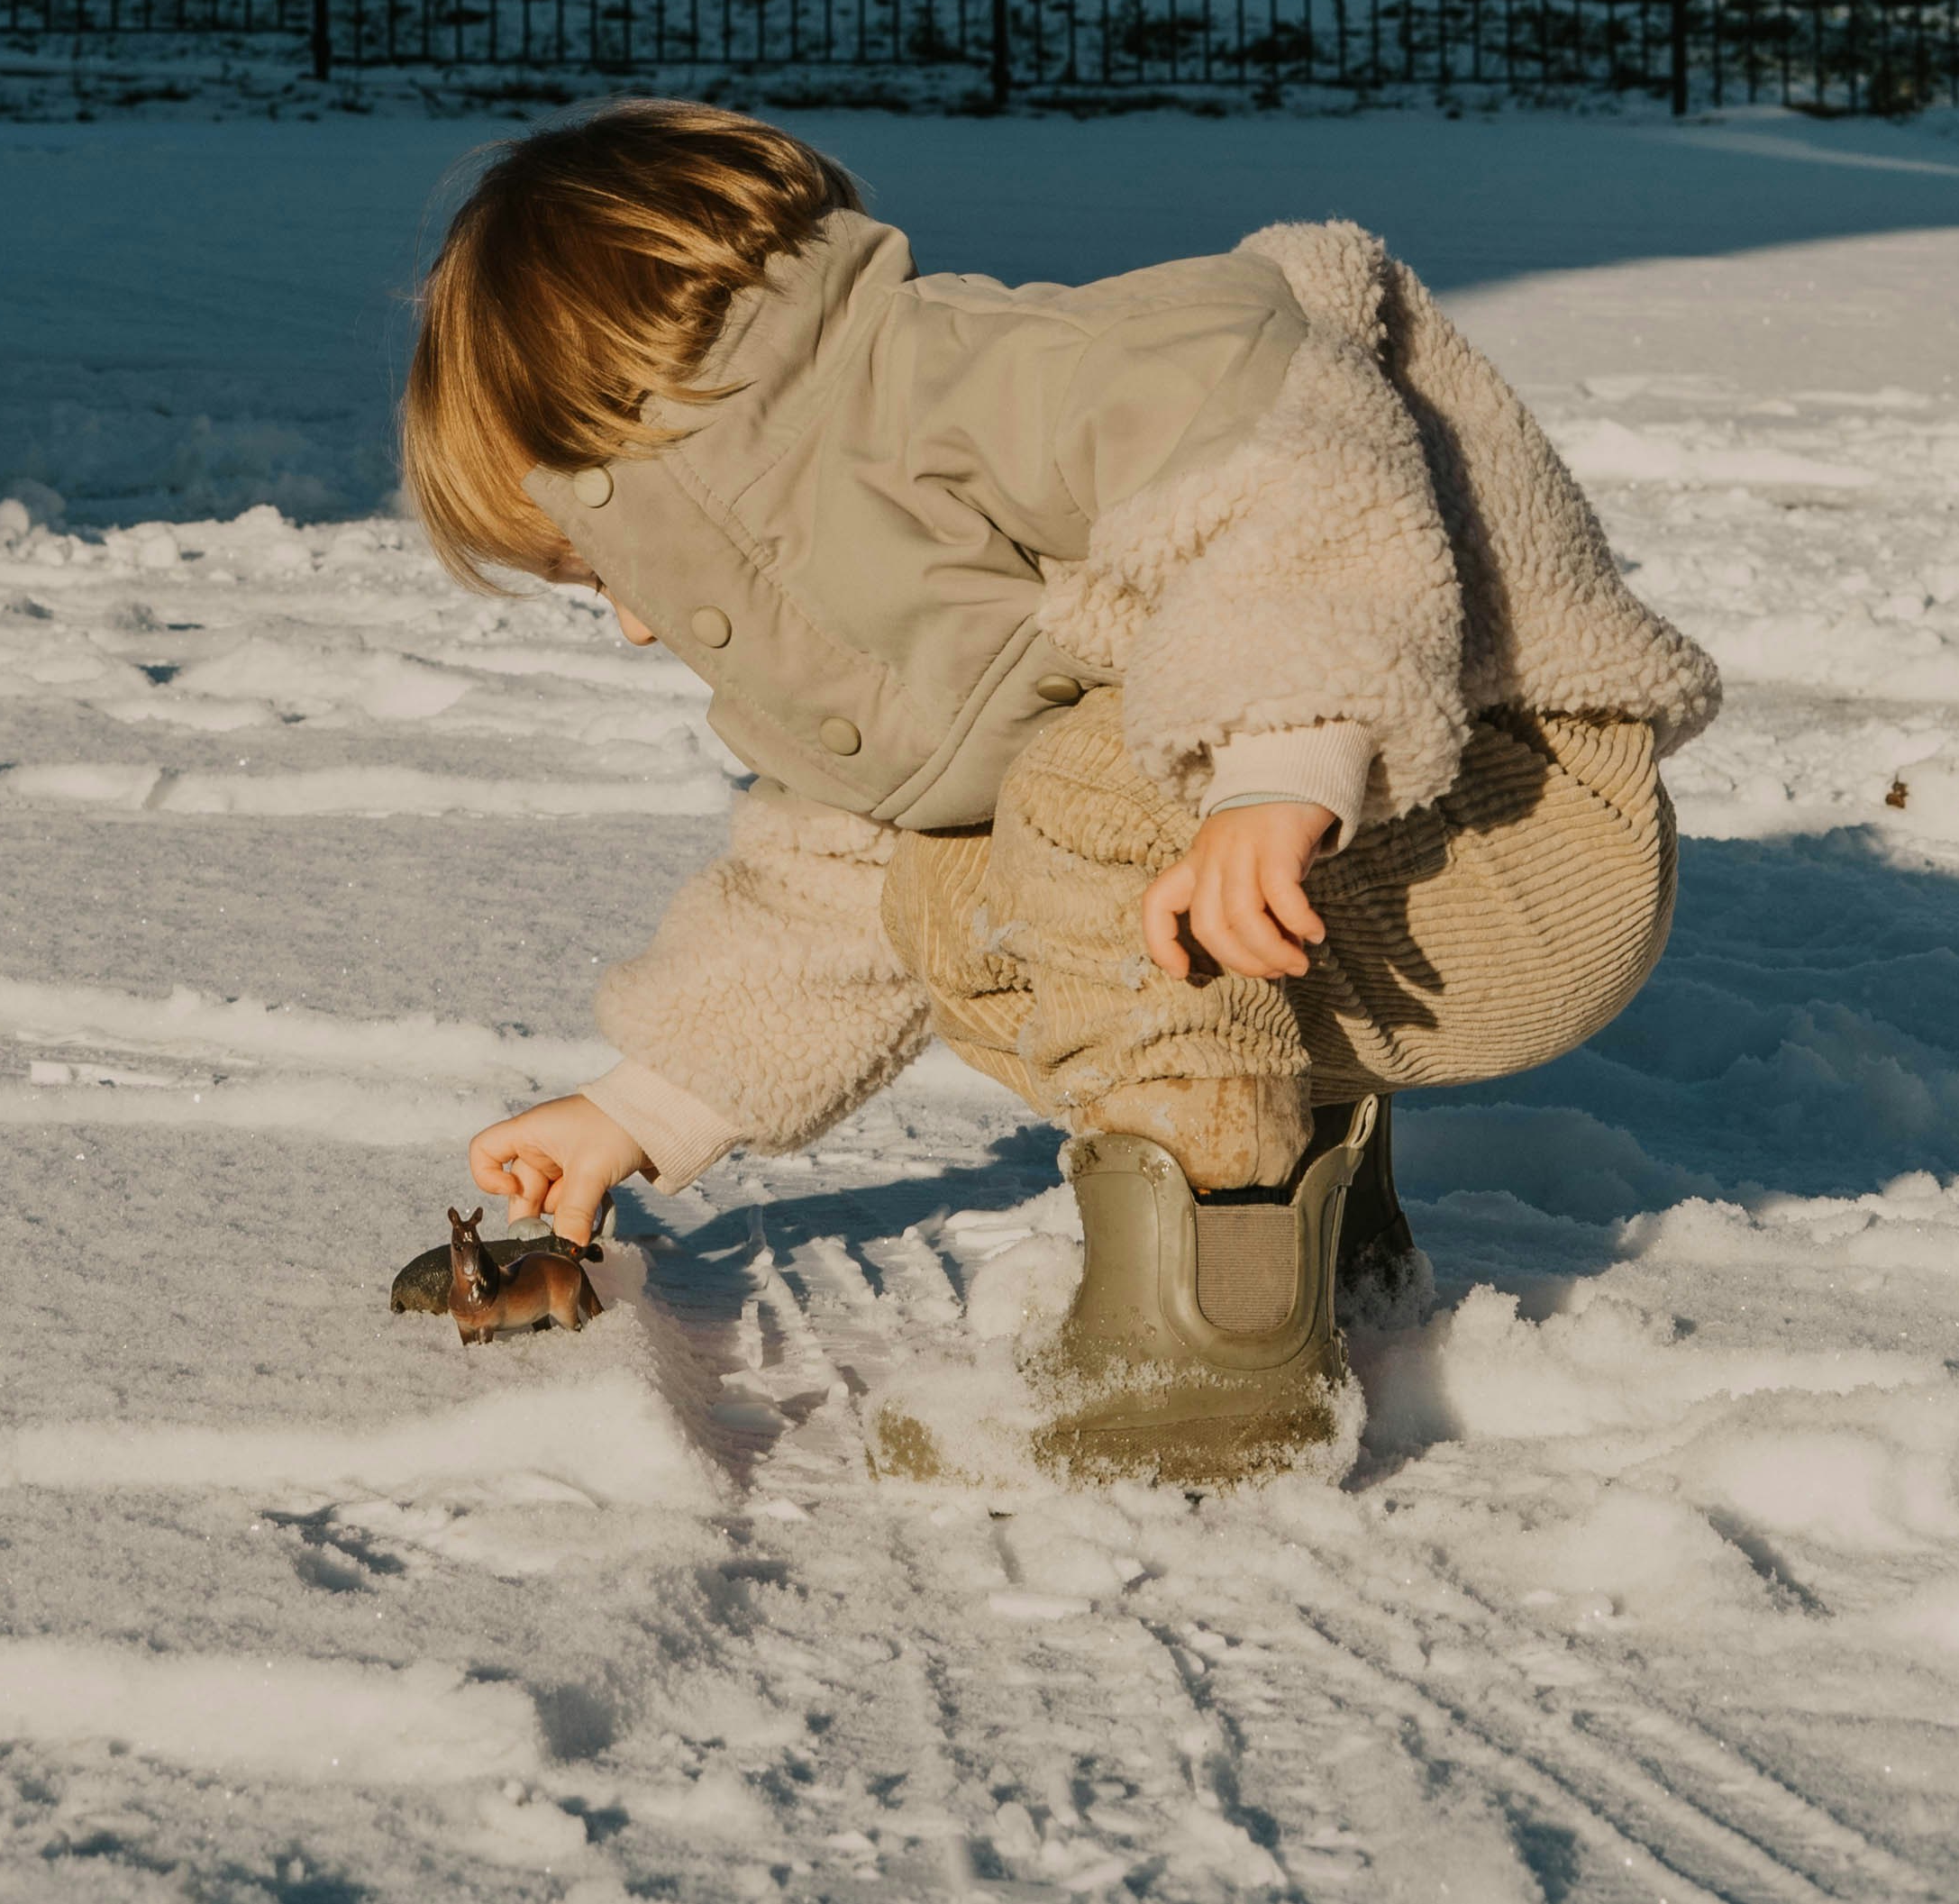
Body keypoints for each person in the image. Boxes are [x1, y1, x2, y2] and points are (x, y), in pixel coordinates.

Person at [403, 101, 1717, 1482]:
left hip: (1512, 818)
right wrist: (645, 1103)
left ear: (660, 475)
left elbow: (1299, 461)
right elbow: (827, 872)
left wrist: (1276, 760)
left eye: (606, 571)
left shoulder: (965, 383)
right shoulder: (862, 596)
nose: (625, 625)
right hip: (1372, 887)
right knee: (942, 889)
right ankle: (1290, 1221)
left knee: (1078, 796)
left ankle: (1201, 1353)